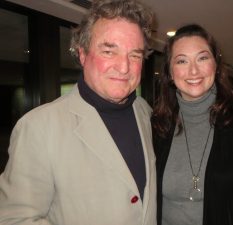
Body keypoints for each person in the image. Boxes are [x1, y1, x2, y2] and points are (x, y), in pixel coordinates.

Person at [0, 0, 156, 224]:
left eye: (135, 55)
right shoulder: (39, 127)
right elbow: (14, 219)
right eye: (109, 51)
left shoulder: (145, 112)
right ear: (83, 54)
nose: (124, 67)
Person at [151, 24, 233, 225]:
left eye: (203, 58)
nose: (193, 70)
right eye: (181, 61)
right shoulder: (159, 124)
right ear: (170, 73)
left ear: (216, 65)